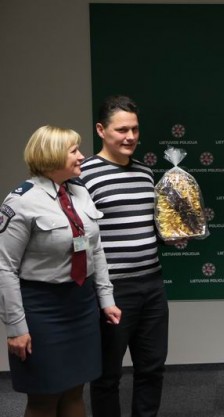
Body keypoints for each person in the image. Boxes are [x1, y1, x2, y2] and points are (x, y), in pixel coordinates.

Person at [0, 125, 121, 417]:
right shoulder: (21, 201)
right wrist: (16, 328)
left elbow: (95, 249)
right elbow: (4, 267)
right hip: (42, 310)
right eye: (74, 151)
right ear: (52, 155)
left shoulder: (80, 193)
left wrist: (106, 300)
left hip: (81, 304)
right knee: (44, 397)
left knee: (75, 391)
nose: (81, 156)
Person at [80, 96, 169, 417]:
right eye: (122, 130)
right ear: (101, 130)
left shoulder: (146, 173)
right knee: (107, 375)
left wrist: (174, 234)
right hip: (112, 290)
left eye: (135, 129)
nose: (130, 137)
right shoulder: (84, 175)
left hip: (152, 285)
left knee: (152, 368)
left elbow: (150, 227)